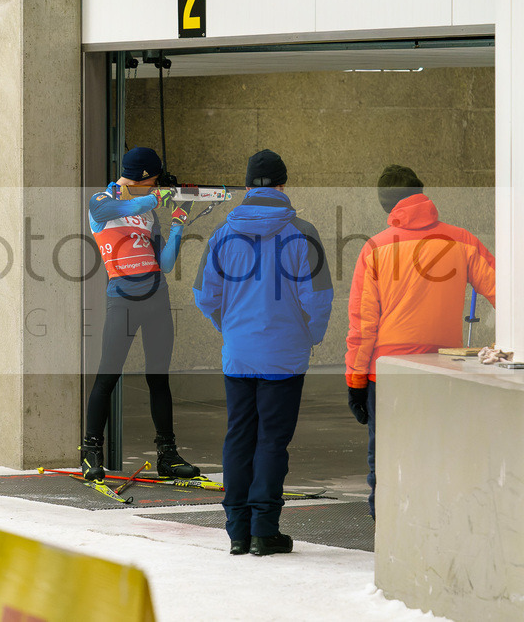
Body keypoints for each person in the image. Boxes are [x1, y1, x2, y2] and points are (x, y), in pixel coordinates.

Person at [193, 149, 333, 556]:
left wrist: (229, 327)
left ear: (249, 185)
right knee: (272, 441)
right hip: (285, 357)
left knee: (239, 435)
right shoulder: (303, 233)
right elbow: (319, 300)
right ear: (283, 185)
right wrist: (310, 337)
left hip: (239, 354)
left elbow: (204, 296)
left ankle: (237, 530)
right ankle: (263, 531)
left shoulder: (222, 234)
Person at [345, 164, 495, 518]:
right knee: (439, 451)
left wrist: (354, 380)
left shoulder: (375, 248)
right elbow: (506, 291)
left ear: (386, 206)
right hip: (442, 371)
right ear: (422, 195)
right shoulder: (462, 240)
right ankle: (434, 525)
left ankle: (387, 530)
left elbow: (363, 325)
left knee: (385, 456)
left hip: (387, 375)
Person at [82, 146, 200, 484]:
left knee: (158, 378)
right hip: (122, 299)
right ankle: (91, 452)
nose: (154, 186)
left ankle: (168, 454)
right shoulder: (101, 202)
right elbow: (130, 204)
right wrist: (159, 196)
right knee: (107, 376)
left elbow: (164, 263)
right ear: (142, 178)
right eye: (153, 181)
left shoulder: (150, 212)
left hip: (156, 298)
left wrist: (179, 220)